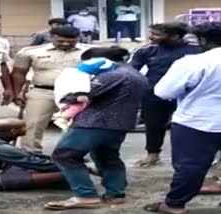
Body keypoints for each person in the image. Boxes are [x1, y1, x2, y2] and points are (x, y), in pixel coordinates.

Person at [44, 47, 149, 210]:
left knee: (65, 155)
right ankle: (116, 194)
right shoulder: (136, 74)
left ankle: (85, 195)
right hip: (120, 124)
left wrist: (68, 95)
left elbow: (82, 93)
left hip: (95, 122)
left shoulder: (113, 75)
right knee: (107, 156)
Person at [143, 22, 221, 214]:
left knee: (191, 166)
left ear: (203, 40)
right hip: (202, 121)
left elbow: (163, 91)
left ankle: (174, 205)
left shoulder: (193, 62)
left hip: (198, 122)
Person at [130, 22, 201, 168]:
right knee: (153, 125)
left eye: (157, 34)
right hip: (153, 95)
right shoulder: (146, 51)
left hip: (186, 96)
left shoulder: (196, 51)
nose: (151, 37)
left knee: (188, 128)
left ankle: (189, 158)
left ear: (175, 36)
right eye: (151, 33)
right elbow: (130, 71)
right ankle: (152, 155)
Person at [11, 26, 90, 152]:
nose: (65, 44)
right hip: (42, 91)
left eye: (71, 42)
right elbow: (19, 73)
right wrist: (17, 93)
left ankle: (72, 154)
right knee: (33, 123)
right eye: (60, 41)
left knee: (78, 124)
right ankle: (31, 154)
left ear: (78, 38)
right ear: (51, 37)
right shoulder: (31, 52)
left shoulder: (89, 52)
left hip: (76, 95)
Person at [53, 57, 117, 131]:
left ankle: (63, 115)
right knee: (77, 107)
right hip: (73, 98)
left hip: (64, 97)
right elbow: (81, 90)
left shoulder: (70, 72)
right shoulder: (82, 76)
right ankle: (63, 118)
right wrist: (84, 97)